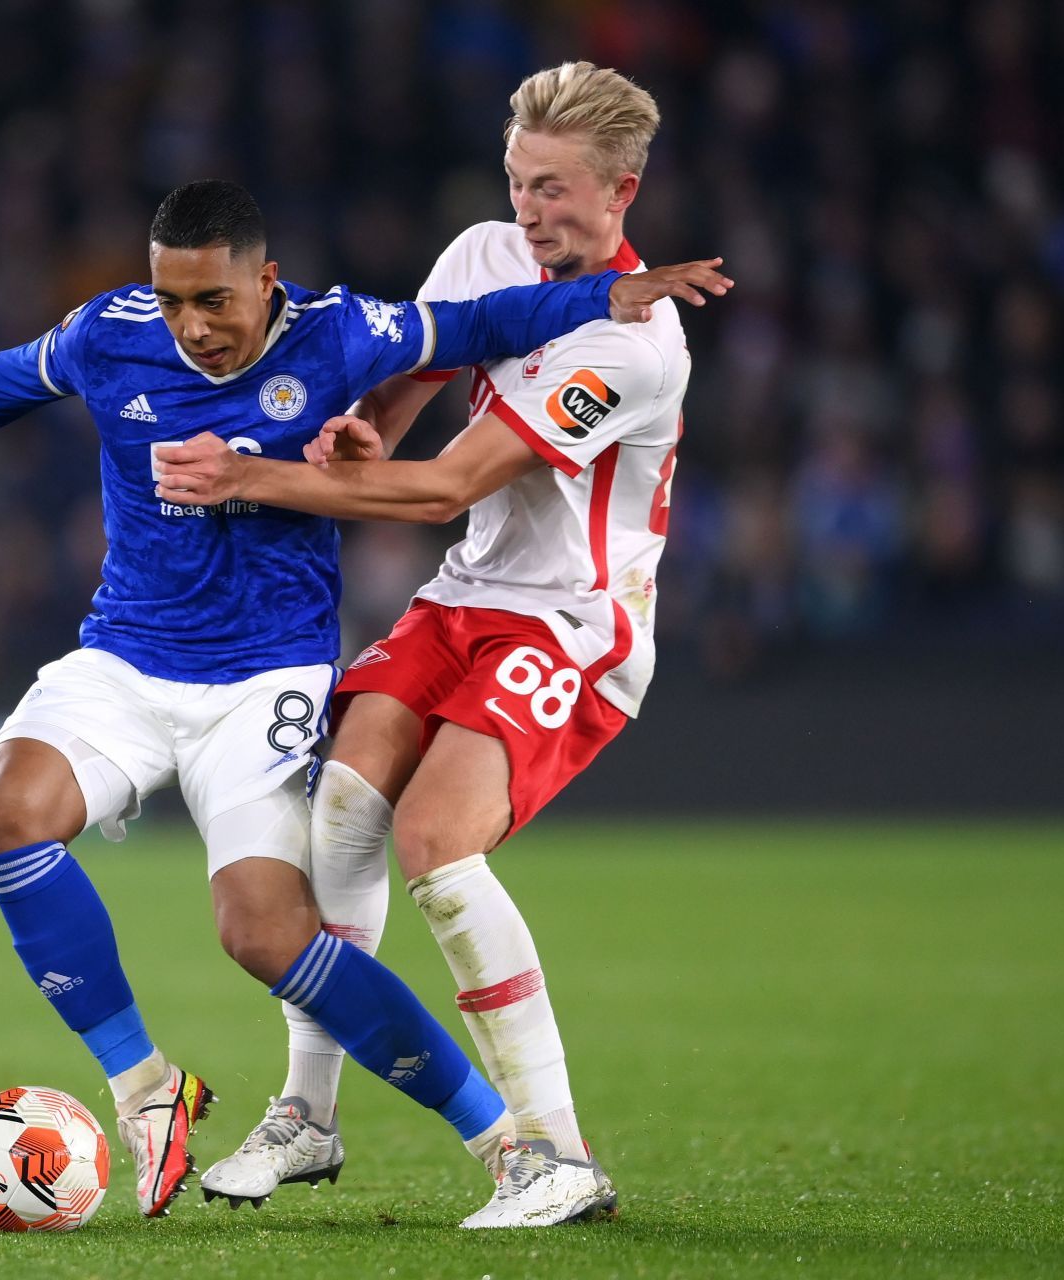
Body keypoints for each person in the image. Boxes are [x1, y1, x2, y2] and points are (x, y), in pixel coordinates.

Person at [0, 177, 731, 1220]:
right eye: (173, 301)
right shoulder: (111, 333)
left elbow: (480, 322)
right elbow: (4, 377)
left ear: (265, 282)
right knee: (4, 808)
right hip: (124, 655)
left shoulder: (340, 332)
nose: (193, 327)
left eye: (214, 300)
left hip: (266, 677)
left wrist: (612, 298)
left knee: (263, 932)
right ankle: (146, 1089)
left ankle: (506, 1143)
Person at [157, 64, 711, 1228]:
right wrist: (363, 429)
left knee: (435, 844)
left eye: (555, 189)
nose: (531, 211)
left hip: (575, 617)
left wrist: (253, 476)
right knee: (341, 806)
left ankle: (557, 1152)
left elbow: (449, 485)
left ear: (623, 188)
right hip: (466, 595)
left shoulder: (641, 340)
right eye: (518, 182)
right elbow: (410, 393)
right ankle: (308, 1115)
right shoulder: (482, 254)